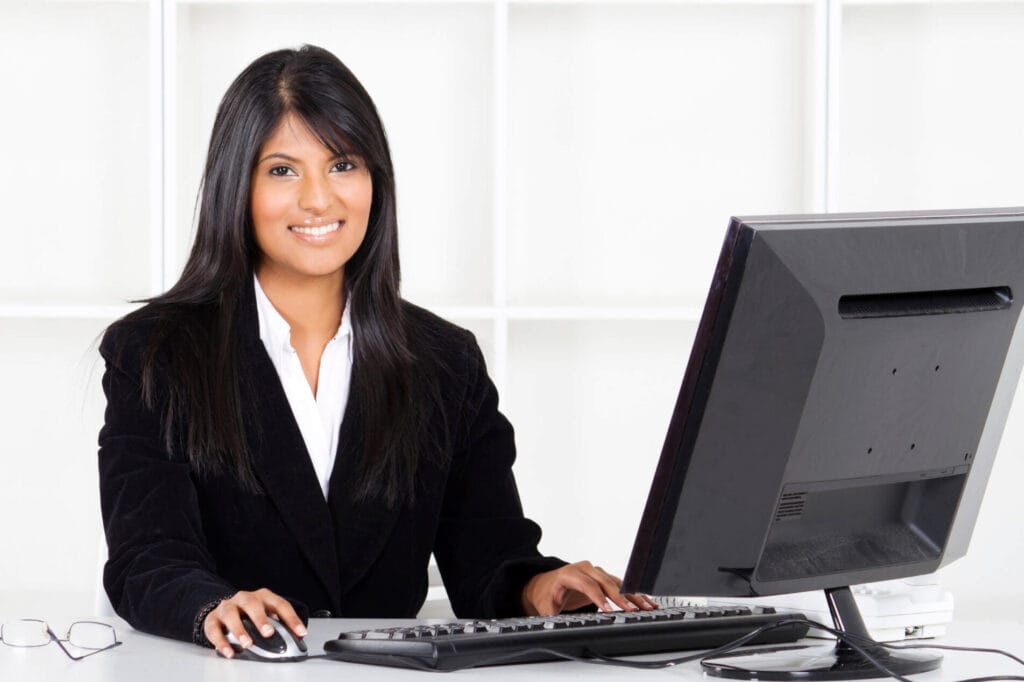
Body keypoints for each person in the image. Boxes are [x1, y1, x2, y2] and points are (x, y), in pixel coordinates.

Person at [97, 44, 655, 659]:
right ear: (237, 186)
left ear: (375, 181)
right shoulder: (155, 354)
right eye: (282, 170)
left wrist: (539, 587)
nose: (318, 199)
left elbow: (488, 558)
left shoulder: (445, 363)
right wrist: (212, 607)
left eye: (342, 164)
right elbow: (147, 558)